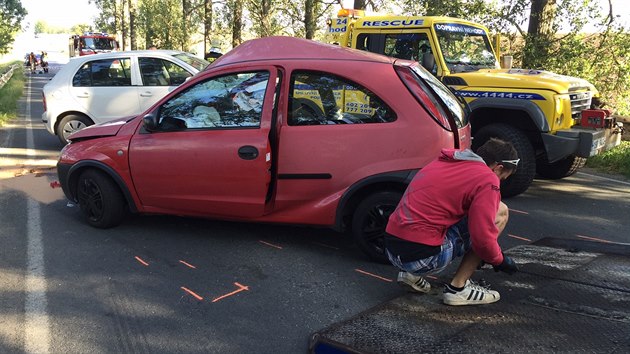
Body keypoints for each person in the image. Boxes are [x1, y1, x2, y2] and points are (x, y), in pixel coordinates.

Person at [384, 138, 520, 306]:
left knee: (443, 217)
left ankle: (409, 274)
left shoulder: (445, 161)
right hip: (424, 258)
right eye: (503, 177)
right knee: (500, 212)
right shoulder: (487, 178)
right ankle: (458, 289)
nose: (500, 181)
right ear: (497, 167)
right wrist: (499, 260)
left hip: (391, 248)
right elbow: (482, 238)